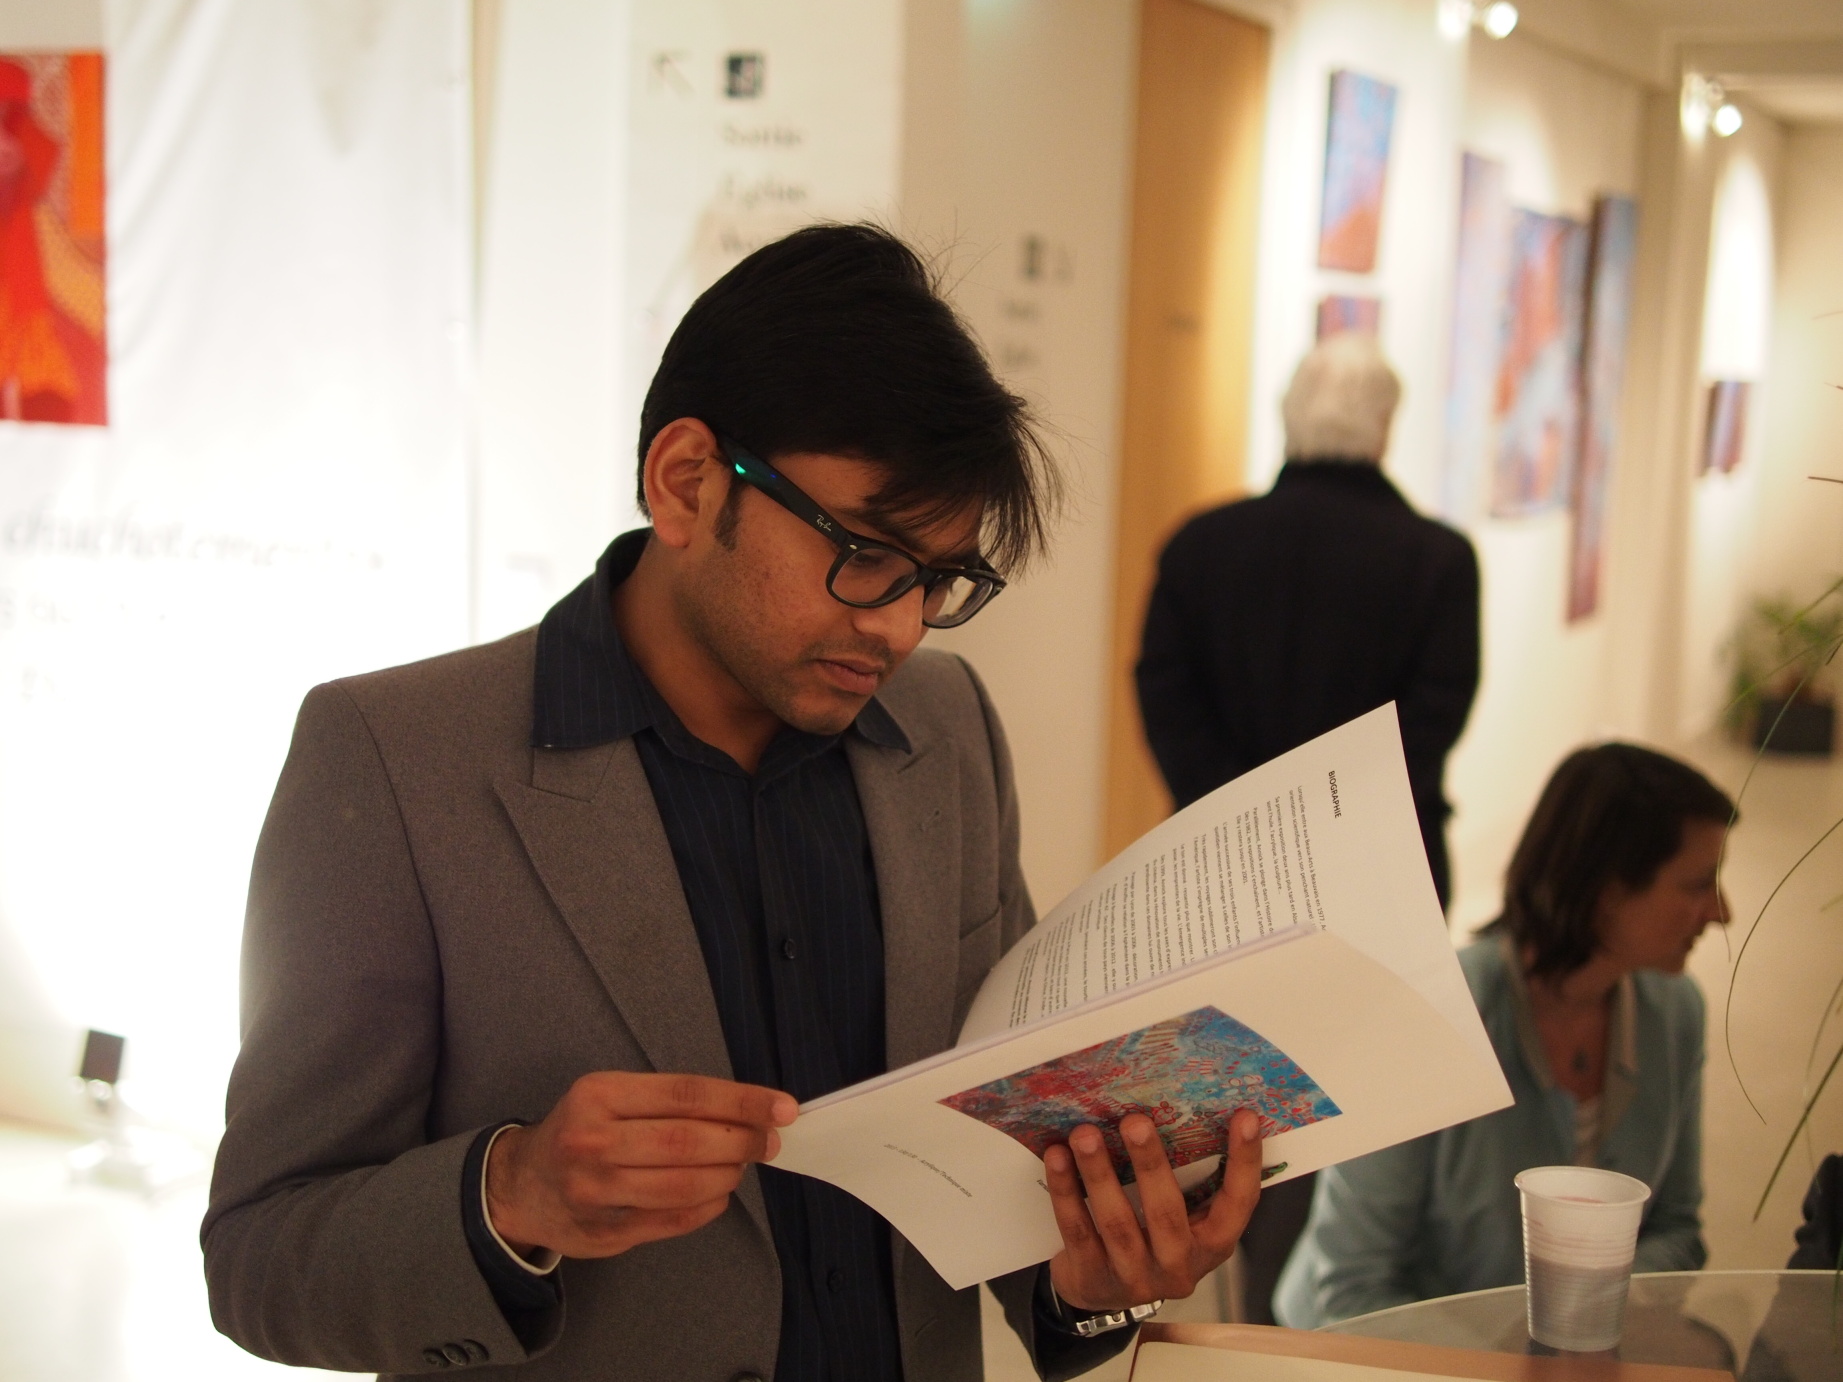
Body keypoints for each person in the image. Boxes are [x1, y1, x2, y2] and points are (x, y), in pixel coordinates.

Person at [202, 225, 1264, 1382]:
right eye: (864, 555)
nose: (897, 627)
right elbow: (262, 1253)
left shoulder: (944, 727)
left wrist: (1093, 1281)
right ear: (686, 481)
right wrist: (512, 1192)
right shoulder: (396, 760)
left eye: (937, 580)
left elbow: (989, 1168)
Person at [1134, 331, 1479, 1322]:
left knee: (1225, 1099)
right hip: (1380, 874)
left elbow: (1163, 690)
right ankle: (1326, 1314)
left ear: (1287, 419)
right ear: (1385, 428)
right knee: (1354, 1108)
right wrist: (1327, 824)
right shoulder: (1436, 559)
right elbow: (1433, 716)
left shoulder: (1200, 544)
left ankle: (1236, 1297)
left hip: (1216, 873)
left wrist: (1239, 817)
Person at [1275, 743, 1730, 1328]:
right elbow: (1350, 1290)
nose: (1722, 911)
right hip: (1379, 1353)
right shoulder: (1424, 1016)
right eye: (1698, 884)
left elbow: (1677, 1229)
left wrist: (1581, 1318)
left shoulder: (1676, 1013)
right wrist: (1514, 1358)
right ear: (1608, 890)